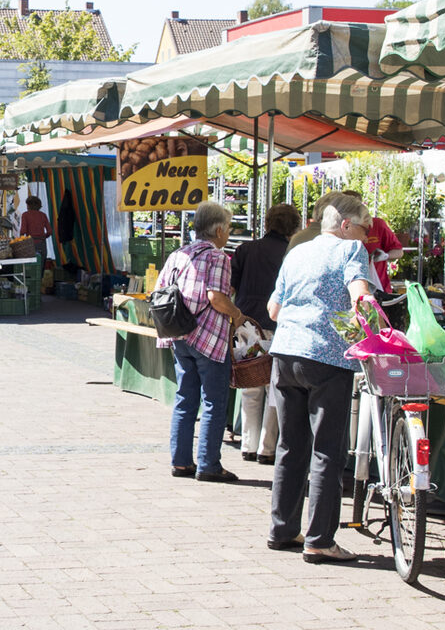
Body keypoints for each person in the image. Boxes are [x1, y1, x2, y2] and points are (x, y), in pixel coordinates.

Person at [267, 195, 380, 561]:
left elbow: (274, 308)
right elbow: (360, 299)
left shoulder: (297, 251)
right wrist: (376, 330)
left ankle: (282, 529)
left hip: (286, 352)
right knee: (328, 450)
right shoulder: (350, 252)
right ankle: (320, 538)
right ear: (346, 225)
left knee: (290, 445)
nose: (367, 237)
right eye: (364, 228)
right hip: (327, 356)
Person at [155, 199, 243, 484]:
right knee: (214, 402)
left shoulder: (179, 254)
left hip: (179, 335)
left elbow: (160, 291)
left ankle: (180, 462)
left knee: (185, 398)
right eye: (228, 227)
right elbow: (216, 298)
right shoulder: (218, 257)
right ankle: (209, 464)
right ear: (218, 230)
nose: (228, 233)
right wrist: (237, 314)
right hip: (208, 339)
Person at [231, 202, 301, 465]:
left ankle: (247, 444)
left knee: (250, 385)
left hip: (247, 325)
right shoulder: (292, 253)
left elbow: (231, 287)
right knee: (274, 387)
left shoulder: (246, 250)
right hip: (279, 325)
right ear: (293, 227)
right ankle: (266, 447)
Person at [364, 211, 404, 294]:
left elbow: (399, 252)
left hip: (379, 287)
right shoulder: (339, 228)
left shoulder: (377, 224)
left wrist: (385, 256)